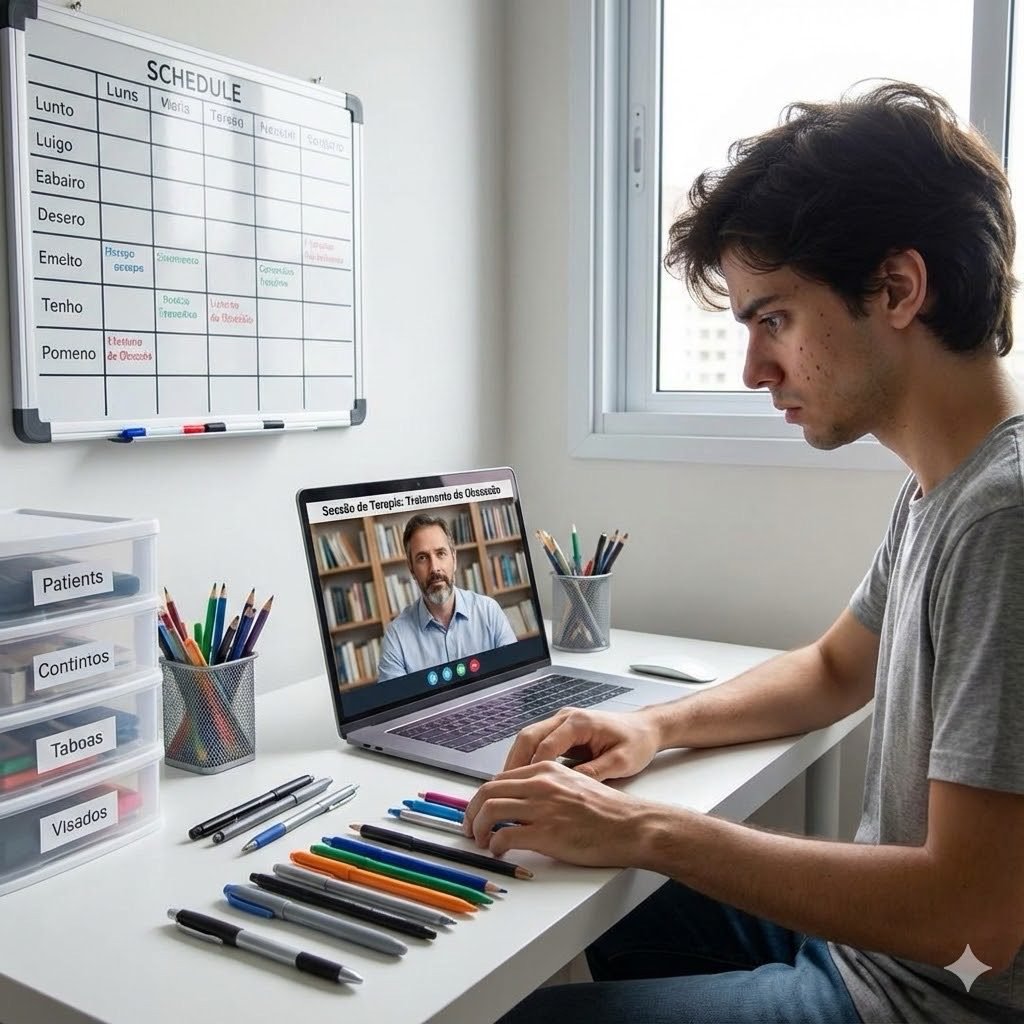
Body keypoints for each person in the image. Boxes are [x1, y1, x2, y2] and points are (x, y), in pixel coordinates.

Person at [463, 82, 1024, 1024]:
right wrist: (654, 730)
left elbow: (975, 916)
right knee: (570, 887)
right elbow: (834, 666)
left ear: (896, 289)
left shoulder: (1003, 519)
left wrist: (647, 826)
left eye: (774, 320)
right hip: (872, 955)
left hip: (928, 1000)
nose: (755, 370)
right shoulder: (941, 489)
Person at [376, 513, 517, 681]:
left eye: (441, 553)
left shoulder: (489, 611)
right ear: (412, 569)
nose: (434, 568)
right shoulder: (396, 638)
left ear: (454, 559)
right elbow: (397, 706)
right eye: (422, 558)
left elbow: (515, 679)